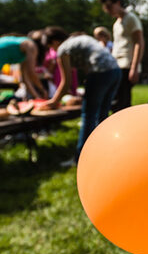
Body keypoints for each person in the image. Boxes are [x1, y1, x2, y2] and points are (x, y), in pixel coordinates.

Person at [42, 27, 121, 163]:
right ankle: (105, 153)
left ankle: (80, 159)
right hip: (115, 72)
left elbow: (66, 81)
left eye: (50, 47)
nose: (52, 51)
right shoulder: (78, 39)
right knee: (103, 114)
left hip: (100, 72)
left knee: (88, 116)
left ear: (55, 41)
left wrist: (54, 101)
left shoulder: (62, 49)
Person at [99, 0, 144, 111]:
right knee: (114, 101)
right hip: (115, 65)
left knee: (122, 103)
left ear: (118, 2)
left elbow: (139, 43)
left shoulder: (131, 18)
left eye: (109, 6)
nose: (108, 10)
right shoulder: (116, 24)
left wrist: (134, 67)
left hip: (127, 65)